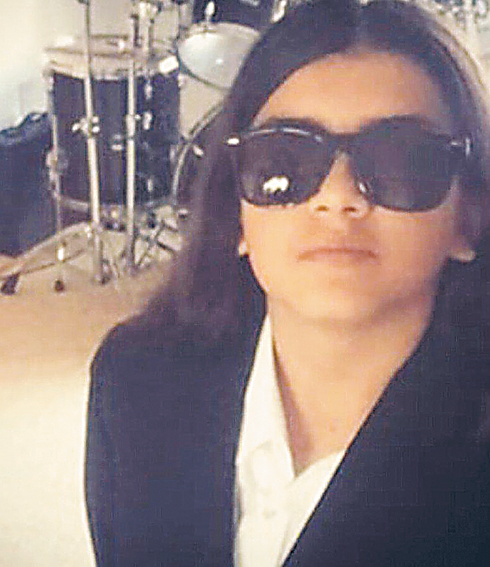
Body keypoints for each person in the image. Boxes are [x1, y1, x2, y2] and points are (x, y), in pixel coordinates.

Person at [85, 1, 490, 565]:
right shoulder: (134, 379)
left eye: (399, 160)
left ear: (468, 218)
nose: (337, 198)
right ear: (237, 212)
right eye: (283, 161)